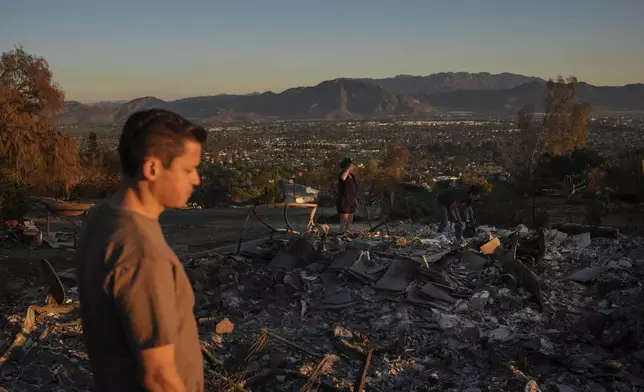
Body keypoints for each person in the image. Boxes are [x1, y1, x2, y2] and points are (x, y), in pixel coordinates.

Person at [76, 109, 207, 392]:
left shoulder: (103, 215)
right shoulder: (141, 253)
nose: (196, 179)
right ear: (151, 169)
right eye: (187, 169)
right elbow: (158, 378)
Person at [337, 157, 358, 232]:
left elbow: (353, 189)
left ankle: (347, 234)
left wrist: (355, 200)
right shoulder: (342, 175)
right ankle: (341, 235)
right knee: (344, 220)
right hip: (344, 200)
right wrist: (348, 169)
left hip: (351, 200)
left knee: (350, 220)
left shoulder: (352, 176)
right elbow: (343, 178)